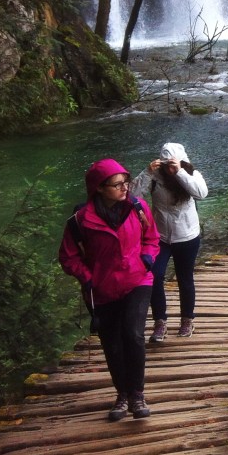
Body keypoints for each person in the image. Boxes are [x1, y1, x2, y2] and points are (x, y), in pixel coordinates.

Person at [59, 159, 159, 422]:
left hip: (137, 280)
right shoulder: (80, 221)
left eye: (126, 182)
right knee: (112, 344)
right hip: (101, 290)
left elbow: (151, 238)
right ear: (99, 189)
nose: (125, 187)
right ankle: (122, 395)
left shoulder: (138, 207)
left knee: (133, 334)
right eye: (118, 184)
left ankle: (137, 395)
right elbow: (68, 258)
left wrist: (147, 258)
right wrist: (87, 277)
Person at [131, 142, 208, 342]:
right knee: (154, 275)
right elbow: (131, 196)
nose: (169, 168)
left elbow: (201, 194)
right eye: (166, 164)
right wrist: (147, 172)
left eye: (172, 163)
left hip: (187, 235)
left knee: (185, 278)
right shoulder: (154, 178)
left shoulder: (191, 174)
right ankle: (159, 322)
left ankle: (187, 320)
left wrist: (180, 172)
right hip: (161, 236)